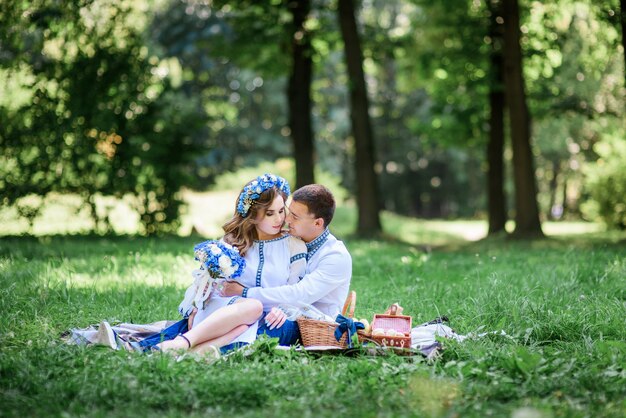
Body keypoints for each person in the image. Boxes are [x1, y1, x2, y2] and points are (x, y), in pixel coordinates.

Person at [150, 173, 307, 354]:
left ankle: (192, 348)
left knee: (256, 325)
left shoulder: (294, 244)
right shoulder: (232, 241)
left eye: (281, 211)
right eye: (270, 213)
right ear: (252, 214)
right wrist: (195, 305)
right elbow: (206, 281)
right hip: (226, 312)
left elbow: (296, 289)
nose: (279, 219)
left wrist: (283, 310)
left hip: (267, 318)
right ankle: (185, 343)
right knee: (253, 308)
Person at [221, 184, 352, 345]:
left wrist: (246, 293)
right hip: (276, 312)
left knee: (273, 328)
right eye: (289, 212)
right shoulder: (288, 243)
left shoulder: (335, 256)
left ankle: (215, 350)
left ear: (318, 223)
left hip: (310, 326)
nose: (286, 219)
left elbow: (299, 295)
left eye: (295, 217)